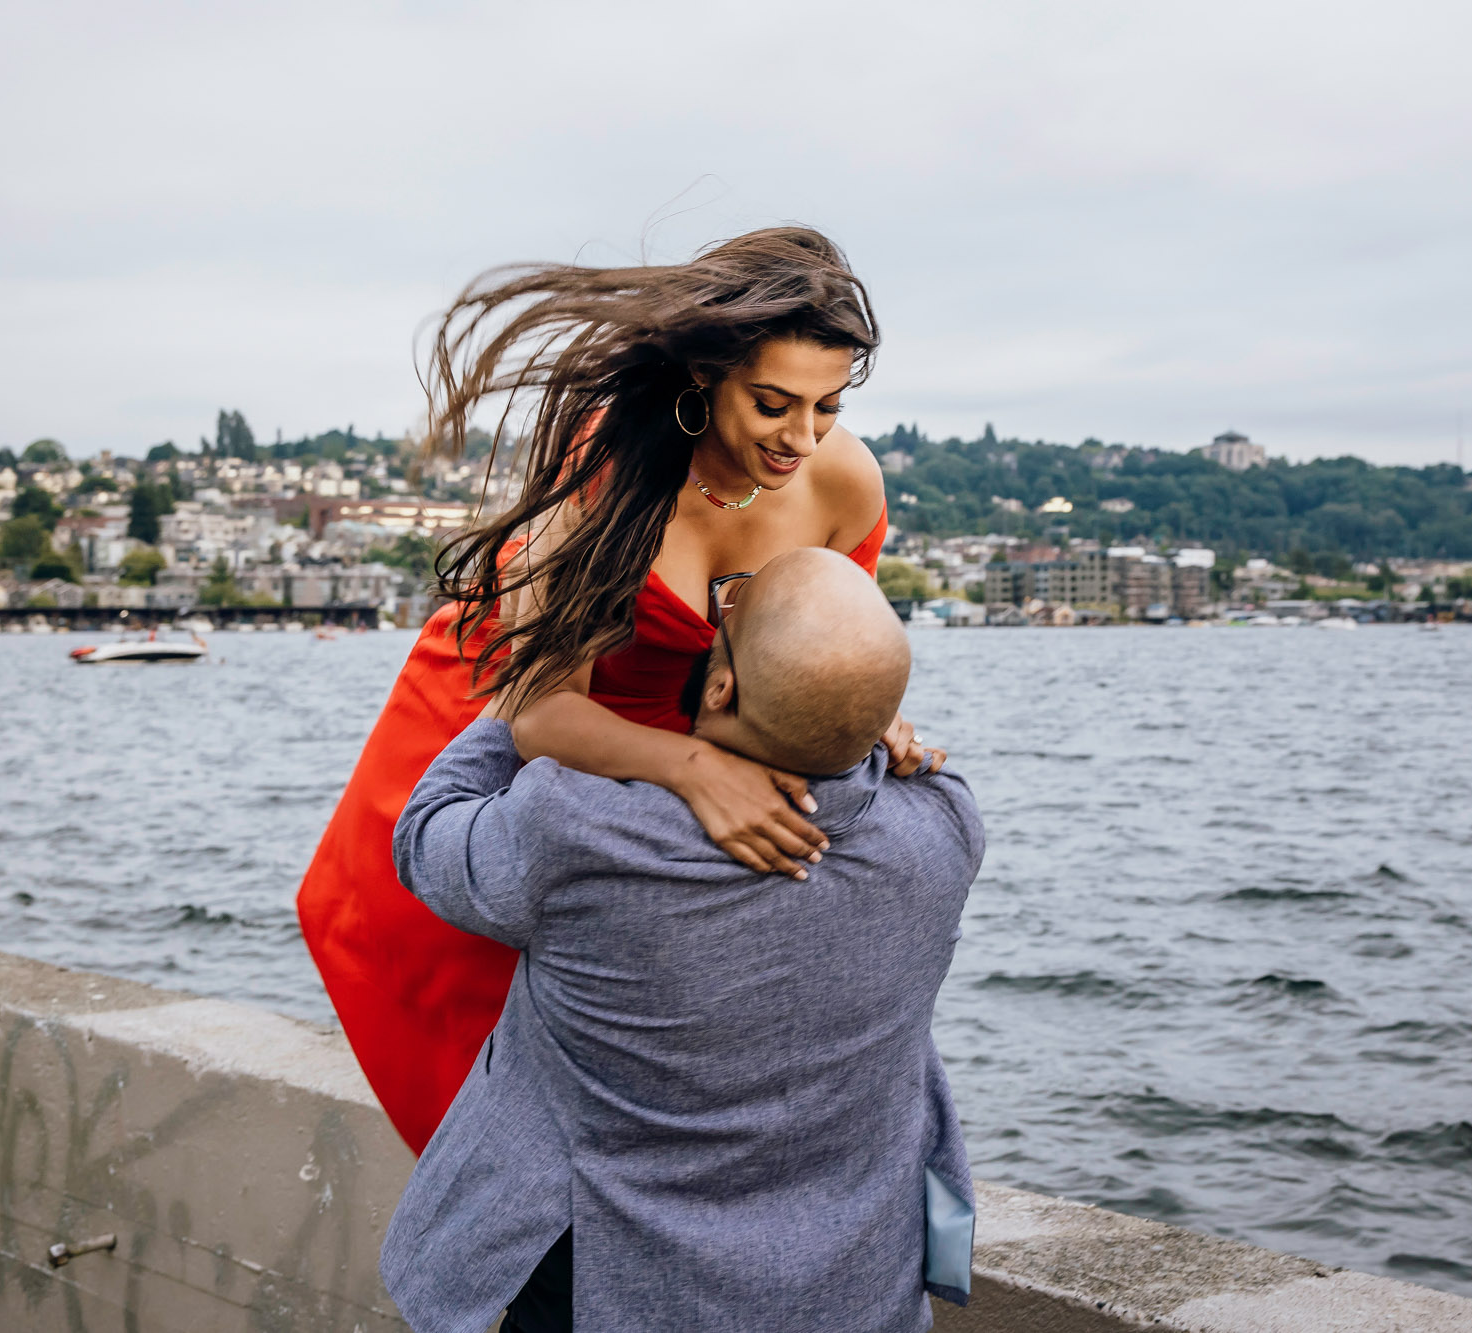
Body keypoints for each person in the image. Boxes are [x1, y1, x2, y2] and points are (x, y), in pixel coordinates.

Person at [296, 228, 946, 1154]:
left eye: (828, 408)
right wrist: (691, 768)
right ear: (704, 376)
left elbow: (812, 649)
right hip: (509, 707)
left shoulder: (845, 482)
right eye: (773, 403)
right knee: (462, 1006)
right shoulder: (610, 474)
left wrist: (869, 718)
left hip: (691, 727)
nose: (802, 438)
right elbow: (533, 712)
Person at [381, 548, 983, 1333]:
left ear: (722, 685)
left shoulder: (580, 828)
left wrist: (536, 689)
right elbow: (879, 767)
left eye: (731, 610)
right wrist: (864, 728)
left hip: (604, 1289)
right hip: (852, 1292)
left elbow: (427, 833)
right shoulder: (944, 829)